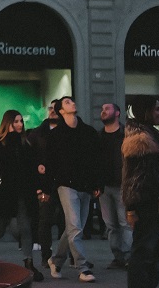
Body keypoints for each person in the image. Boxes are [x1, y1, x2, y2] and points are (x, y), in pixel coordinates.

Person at [45, 96, 103, 282]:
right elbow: (51, 161)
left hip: (85, 185)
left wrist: (97, 184)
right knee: (76, 227)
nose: (73, 103)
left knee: (73, 228)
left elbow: (96, 160)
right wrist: (48, 187)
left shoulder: (88, 132)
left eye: (72, 101)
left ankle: (56, 260)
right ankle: (83, 268)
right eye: (68, 102)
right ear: (61, 111)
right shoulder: (55, 135)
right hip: (66, 184)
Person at [123, 96, 159, 288]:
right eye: (156, 109)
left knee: (153, 253)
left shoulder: (152, 134)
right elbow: (130, 178)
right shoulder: (140, 139)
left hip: (156, 201)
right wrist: (131, 209)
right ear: (145, 111)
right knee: (144, 252)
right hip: (145, 202)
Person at [0, 109, 44, 281]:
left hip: (23, 192)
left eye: (21, 121)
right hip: (6, 193)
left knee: (25, 228)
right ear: (8, 123)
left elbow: (28, 168)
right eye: (16, 121)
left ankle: (29, 263)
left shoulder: (25, 144)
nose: (20, 124)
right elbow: (0, 168)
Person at [98, 101, 132, 270]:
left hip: (122, 184)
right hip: (104, 185)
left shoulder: (126, 134)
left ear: (117, 113)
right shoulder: (99, 136)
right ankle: (118, 256)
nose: (103, 111)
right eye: (102, 109)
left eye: (107, 109)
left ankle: (127, 256)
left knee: (124, 222)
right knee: (111, 225)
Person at [30, 101, 64, 268]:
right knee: (45, 220)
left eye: (56, 109)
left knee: (67, 220)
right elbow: (29, 158)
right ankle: (46, 256)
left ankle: (69, 256)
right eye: (50, 108)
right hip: (44, 184)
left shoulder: (68, 132)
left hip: (65, 182)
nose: (52, 111)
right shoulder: (37, 134)